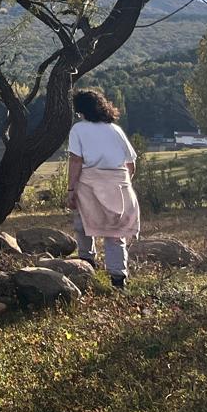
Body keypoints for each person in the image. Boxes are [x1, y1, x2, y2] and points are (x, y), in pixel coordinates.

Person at [65, 88, 140, 288]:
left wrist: (71, 190)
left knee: (83, 225)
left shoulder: (78, 129)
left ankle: (86, 263)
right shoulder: (115, 129)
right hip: (119, 183)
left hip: (90, 183)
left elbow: (76, 160)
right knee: (115, 234)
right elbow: (130, 163)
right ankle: (118, 279)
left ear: (80, 109)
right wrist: (122, 183)